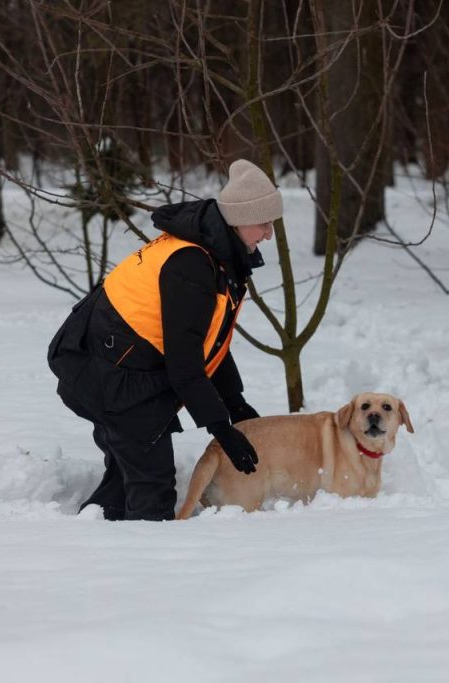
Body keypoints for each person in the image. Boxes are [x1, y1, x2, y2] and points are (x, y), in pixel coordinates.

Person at [47, 159, 283, 521]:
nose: (269, 234)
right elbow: (185, 362)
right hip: (106, 377)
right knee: (152, 494)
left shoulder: (218, 256)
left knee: (128, 478)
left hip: (114, 370)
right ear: (238, 219)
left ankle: (92, 533)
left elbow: (209, 341)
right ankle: (140, 564)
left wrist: (235, 404)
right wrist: (221, 427)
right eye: (264, 223)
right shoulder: (192, 266)